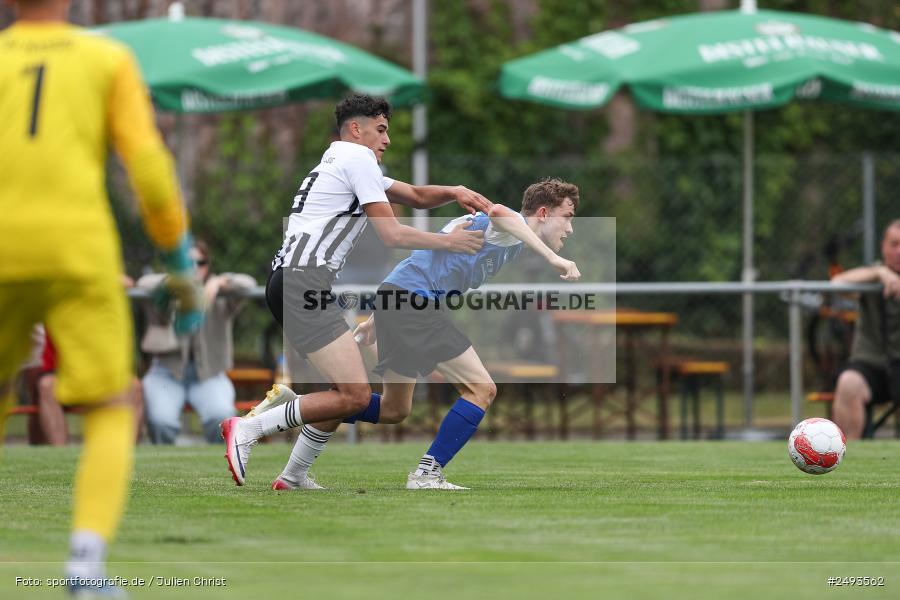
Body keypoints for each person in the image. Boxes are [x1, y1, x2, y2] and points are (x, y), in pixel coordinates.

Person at [0, 1, 204, 597]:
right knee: (115, 403)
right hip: (79, 252)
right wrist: (176, 261)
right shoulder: (106, 58)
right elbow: (148, 168)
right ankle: (86, 566)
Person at [221, 93, 492, 486]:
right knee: (356, 396)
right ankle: (250, 428)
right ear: (356, 129)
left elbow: (414, 196)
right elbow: (391, 233)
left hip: (293, 282)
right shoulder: (357, 159)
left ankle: (294, 474)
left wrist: (454, 191)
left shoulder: (341, 160)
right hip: (302, 282)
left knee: (346, 391)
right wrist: (448, 242)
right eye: (381, 130)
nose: (387, 140)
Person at [269, 177, 581, 490]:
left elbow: (423, 263)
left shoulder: (510, 242)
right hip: (413, 303)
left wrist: (376, 320)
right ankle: (426, 474)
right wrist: (553, 258)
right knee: (482, 389)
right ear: (543, 213)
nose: (569, 228)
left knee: (394, 409)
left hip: (399, 299)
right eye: (567, 217)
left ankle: (303, 408)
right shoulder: (506, 228)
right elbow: (499, 211)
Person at [139, 241, 256, 444]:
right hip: (166, 373)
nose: (194, 268)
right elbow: (143, 283)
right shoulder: (166, 289)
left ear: (207, 265)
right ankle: (162, 470)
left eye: (200, 262)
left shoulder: (220, 293)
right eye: (187, 262)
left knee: (223, 417)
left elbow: (249, 283)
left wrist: (220, 281)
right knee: (160, 421)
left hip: (208, 376)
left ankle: (220, 470)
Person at [831, 219, 900, 440]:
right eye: (894, 244)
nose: (899, 251)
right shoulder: (871, 277)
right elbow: (836, 285)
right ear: (883, 247)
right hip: (872, 365)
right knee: (848, 382)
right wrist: (880, 273)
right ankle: (848, 457)